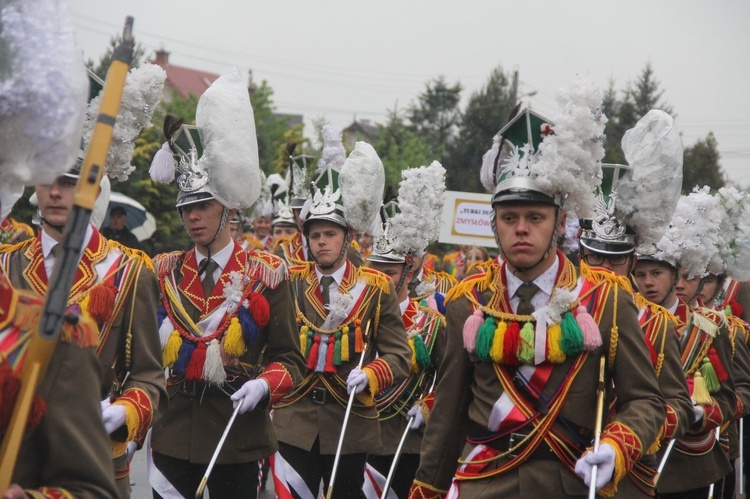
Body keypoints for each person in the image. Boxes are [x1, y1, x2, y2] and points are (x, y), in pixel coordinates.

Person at [409, 82, 665, 498]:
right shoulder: (467, 300)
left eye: (535, 216)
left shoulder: (605, 298)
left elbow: (646, 403)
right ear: (494, 225)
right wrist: (428, 489)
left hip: (572, 480)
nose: (522, 228)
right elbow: (451, 411)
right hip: (487, 481)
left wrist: (618, 447)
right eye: (509, 218)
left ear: (560, 223)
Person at [1, 63, 168, 497]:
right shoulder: (7, 264)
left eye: (70, 181)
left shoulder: (131, 270)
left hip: (92, 463)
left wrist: (126, 412)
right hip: (14, 460)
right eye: (48, 180)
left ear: (93, 186)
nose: (56, 192)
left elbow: (149, 375)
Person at [147, 69, 305, 499]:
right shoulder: (165, 272)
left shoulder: (265, 274)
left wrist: (263, 385)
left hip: (238, 440)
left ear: (227, 207)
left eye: (202, 205)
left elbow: (289, 359)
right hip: (174, 437)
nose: (192, 217)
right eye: (186, 208)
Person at [271, 141, 411, 498]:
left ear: (347, 237)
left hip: (350, 424)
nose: (322, 243)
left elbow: (399, 356)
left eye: (330, 234)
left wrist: (372, 373)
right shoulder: (292, 281)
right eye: (315, 235)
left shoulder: (375, 287)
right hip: (295, 421)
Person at [577, 117, 694, 497]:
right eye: (595, 260)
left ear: (630, 262)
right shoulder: (557, 306)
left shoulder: (657, 324)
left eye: (614, 262)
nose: (604, 270)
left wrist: (631, 431)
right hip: (559, 459)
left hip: (627, 466)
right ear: (581, 256)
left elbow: (671, 401)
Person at [633, 187, 739, 499]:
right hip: (635, 455)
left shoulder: (707, 328)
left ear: (675, 275)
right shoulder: (624, 322)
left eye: (656, 273)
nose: (649, 282)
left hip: (687, 463)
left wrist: (700, 415)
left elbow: (728, 399)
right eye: (640, 274)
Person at [365, 162, 448, 498]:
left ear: (408, 268)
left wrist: (428, 404)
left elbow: (452, 379)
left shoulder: (432, 323)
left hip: (408, 442)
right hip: (362, 435)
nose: (382, 278)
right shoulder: (357, 317)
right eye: (376, 269)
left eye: (390, 271)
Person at [274, 125, 364, 269]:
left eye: (330, 234)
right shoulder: (283, 250)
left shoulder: (349, 250)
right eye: (298, 210)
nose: (302, 216)